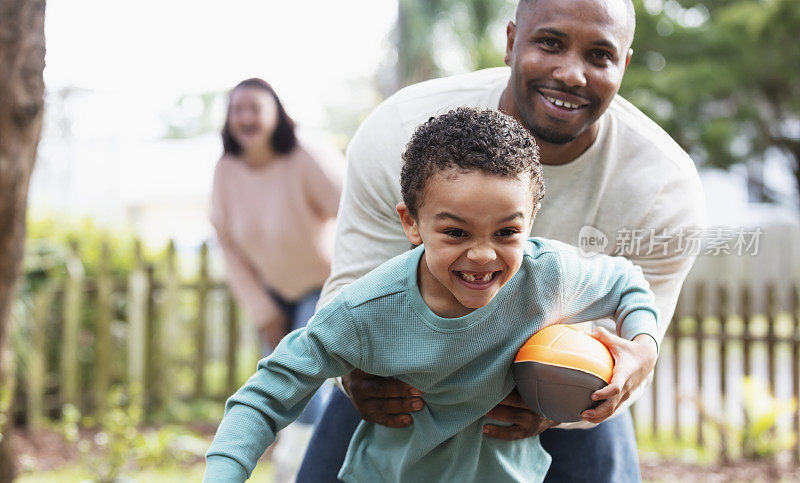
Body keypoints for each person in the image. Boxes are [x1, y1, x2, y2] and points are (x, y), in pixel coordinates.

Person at [297, 0, 706, 482]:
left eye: (599, 55)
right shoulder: (400, 131)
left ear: (624, 65)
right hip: (408, 379)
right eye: (550, 43)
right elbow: (349, 290)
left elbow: (638, 338)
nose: (572, 74)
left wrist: (591, 392)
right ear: (512, 41)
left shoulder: (666, 187)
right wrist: (355, 375)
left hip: (559, 385)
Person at [204, 107, 660, 482]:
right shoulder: (367, 311)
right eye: (456, 232)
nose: (482, 255)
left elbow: (628, 283)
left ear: (532, 219)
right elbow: (265, 395)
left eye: (506, 231)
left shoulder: (549, 275)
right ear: (411, 223)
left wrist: (642, 347)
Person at [209, 78, 343, 478]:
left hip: (322, 285)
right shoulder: (226, 171)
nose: (245, 117)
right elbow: (228, 246)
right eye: (237, 109)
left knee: (305, 382)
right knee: (274, 382)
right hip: (272, 291)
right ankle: (297, 464)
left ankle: (297, 467)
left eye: (254, 107)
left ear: (276, 113)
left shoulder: (304, 156)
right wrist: (262, 309)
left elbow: (356, 205)